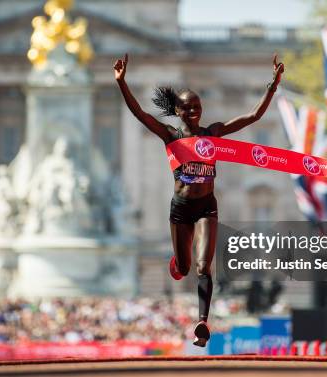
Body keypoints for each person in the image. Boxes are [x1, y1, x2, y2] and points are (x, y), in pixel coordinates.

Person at [114, 53, 284, 347]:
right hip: (181, 209)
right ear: (178, 111)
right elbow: (140, 114)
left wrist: (272, 85)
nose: (195, 111)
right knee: (183, 268)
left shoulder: (213, 132)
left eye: (198, 107)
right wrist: (122, 82)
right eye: (189, 107)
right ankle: (177, 264)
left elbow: (253, 117)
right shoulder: (170, 135)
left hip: (207, 207)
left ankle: (202, 322)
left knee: (204, 267)